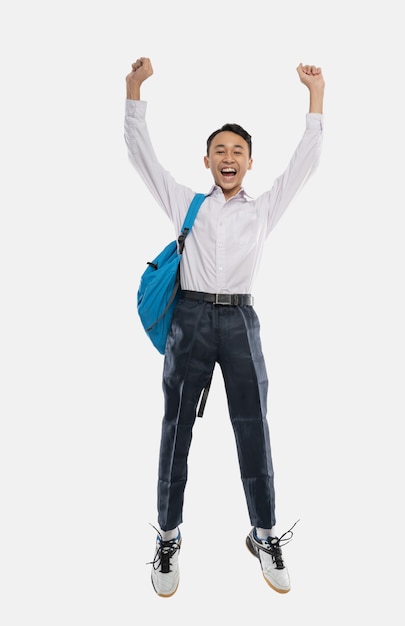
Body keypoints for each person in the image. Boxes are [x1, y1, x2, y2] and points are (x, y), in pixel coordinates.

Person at [124, 57, 325, 597]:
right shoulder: (187, 204)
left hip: (240, 318)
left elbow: (305, 164)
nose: (229, 157)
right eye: (221, 150)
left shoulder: (263, 211)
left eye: (238, 151)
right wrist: (134, 93)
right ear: (208, 160)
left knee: (254, 425)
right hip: (189, 319)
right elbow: (141, 157)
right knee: (175, 429)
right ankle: (167, 536)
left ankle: (263, 533)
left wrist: (315, 99)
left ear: (250, 162)